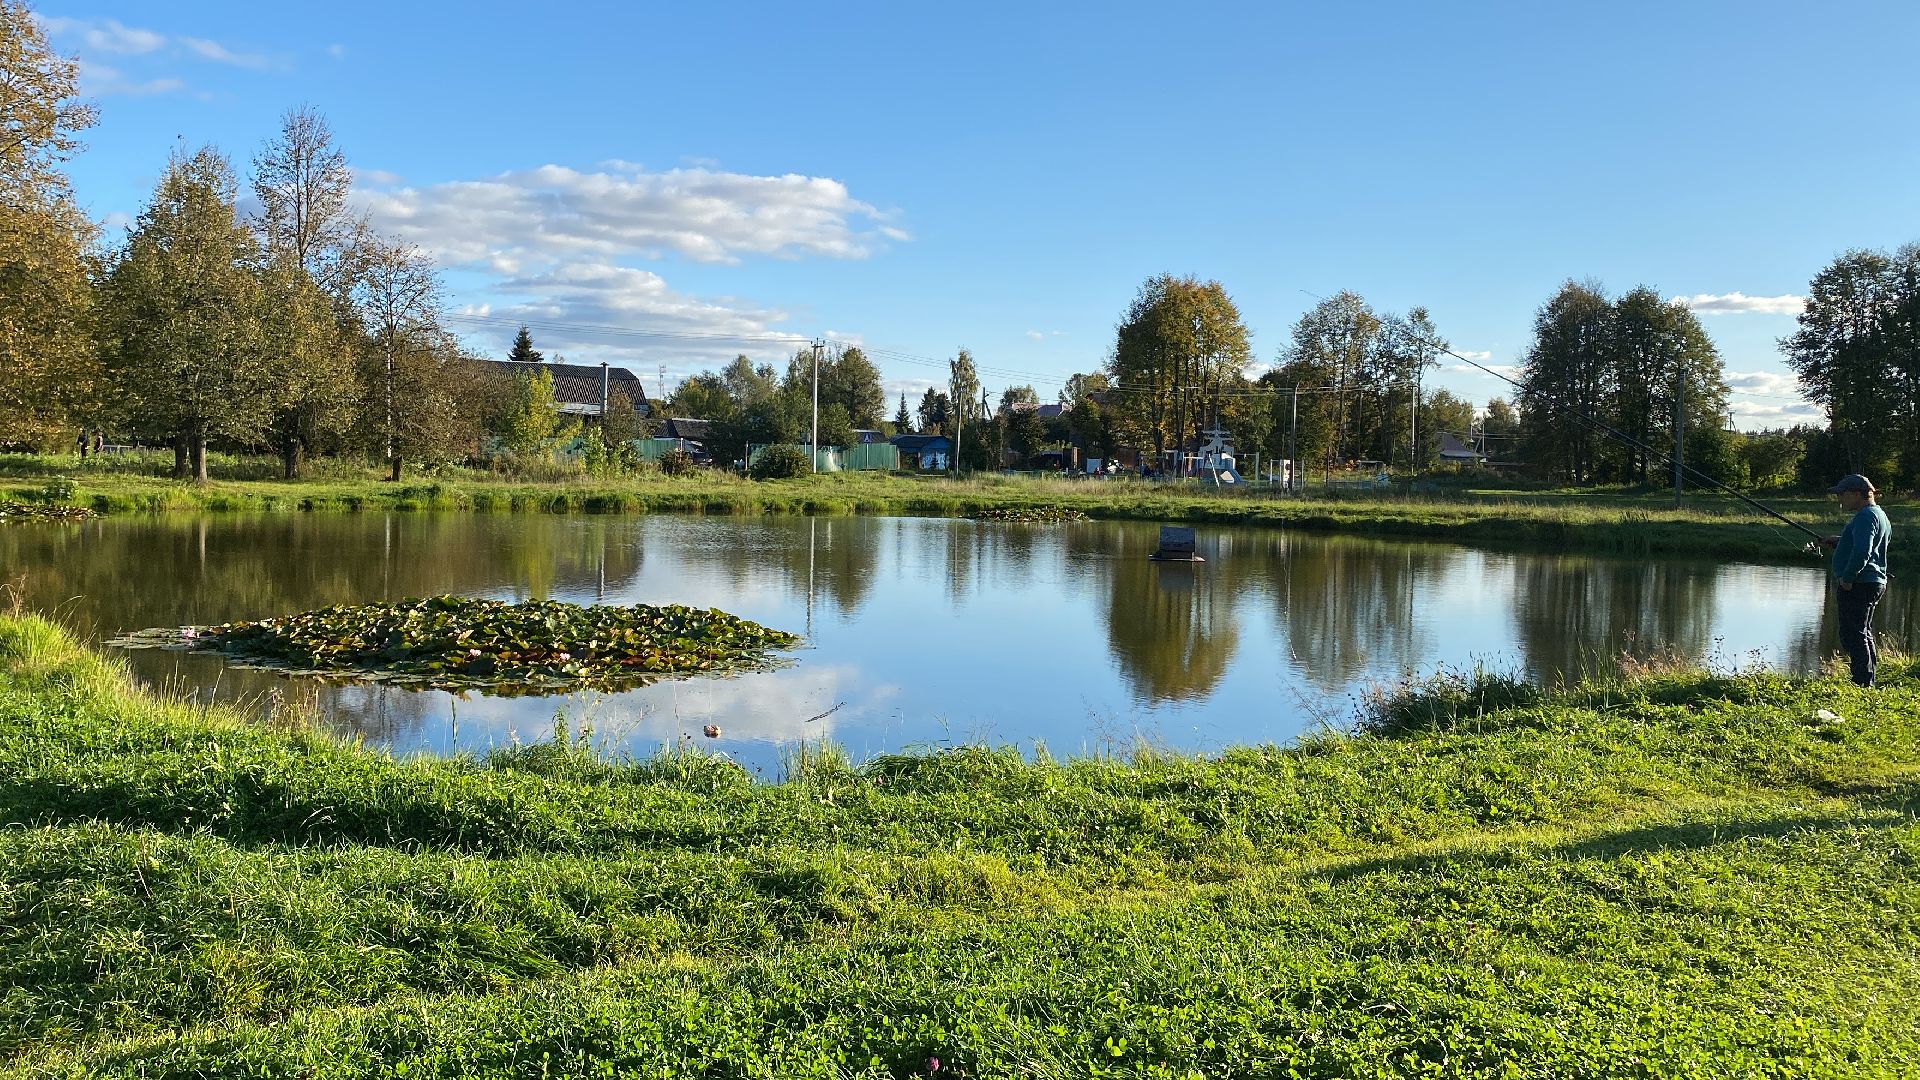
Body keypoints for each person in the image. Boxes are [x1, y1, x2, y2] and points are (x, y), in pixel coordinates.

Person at [1819, 474, 1892, 687]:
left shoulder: (1865, 516)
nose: (1839, 498)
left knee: (1854, 634)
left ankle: (1862, 682)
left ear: (1857, 494)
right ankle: (1867, 679)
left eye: (1843, 494)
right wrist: (1840, 542)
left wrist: (1848, 578)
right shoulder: (1878, 514)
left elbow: (1863, 551)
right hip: (1872, 581)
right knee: (1862, 632)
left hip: (1860, 583)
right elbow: (1867, 542)